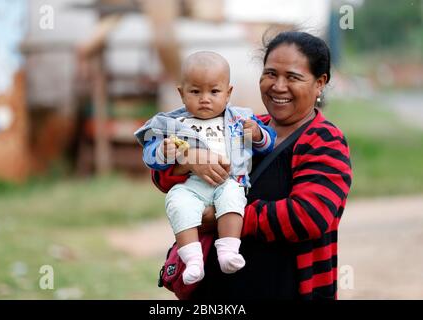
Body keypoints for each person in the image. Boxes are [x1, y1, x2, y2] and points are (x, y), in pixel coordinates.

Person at [149, 31, 353, 300]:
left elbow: (310, 216)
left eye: (292, 77)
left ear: (320, 83)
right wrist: (188, 162)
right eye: (270, 74)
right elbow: (161, 178)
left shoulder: (324, 139)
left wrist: (228, 217)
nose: (278, 86)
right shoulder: (243, 127)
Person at [134, 51, 276, 285]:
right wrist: (165, 151)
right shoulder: (172, 124)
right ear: (181, 93)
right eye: (195, 91)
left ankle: (229, 251)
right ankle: (192, 260)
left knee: (233, 198)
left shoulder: (240, 119)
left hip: (227, 181)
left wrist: (259, 134)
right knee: (177, 201)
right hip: (192, 186)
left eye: (214, 91)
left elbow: (268, 142)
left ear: (228, 93)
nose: (205, 99)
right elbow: (150, 155)